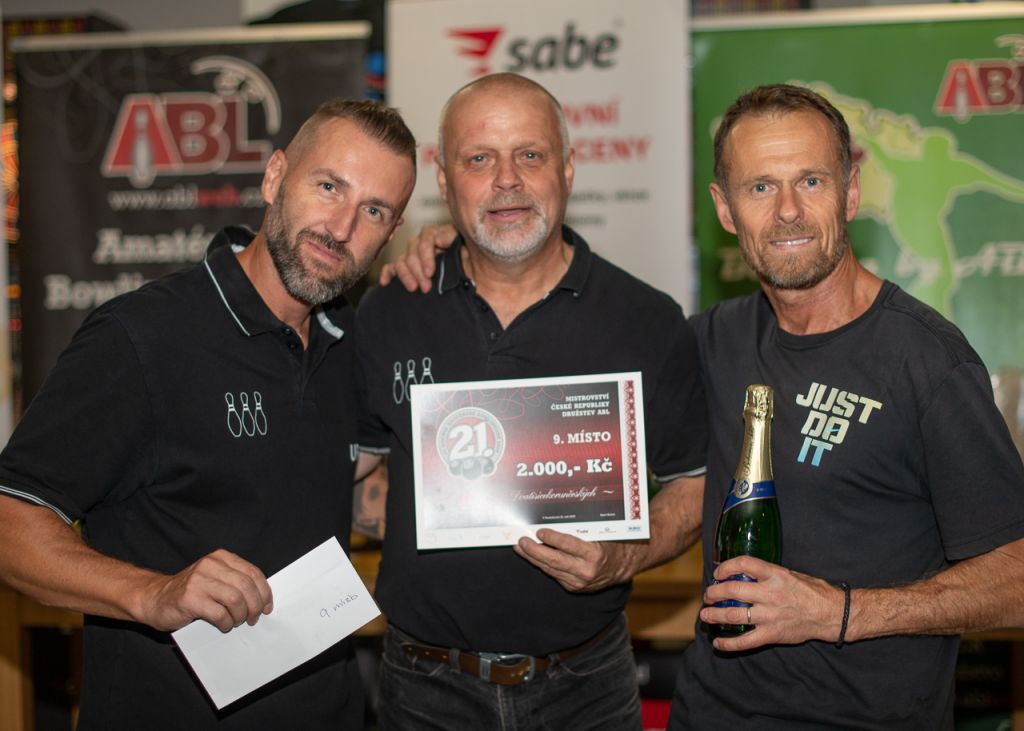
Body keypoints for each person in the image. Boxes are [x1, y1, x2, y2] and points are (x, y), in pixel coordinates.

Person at [387, 83, 1024, 729]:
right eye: (760, 187)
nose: (788, 211)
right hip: (709, 713)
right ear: (725, 208)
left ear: (851, 192)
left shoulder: (927, 360)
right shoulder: (709, 340)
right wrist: (458, 243)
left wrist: (839, 612)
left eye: (810, 181)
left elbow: (1016, 578)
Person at [0, 99, 416, 729]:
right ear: (275, 177)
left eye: (375, 210)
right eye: (329, 187)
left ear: (392, 232)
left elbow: (345, 484)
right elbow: (11, 521)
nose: (341, 227)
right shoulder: (141, 337)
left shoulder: (348, 341)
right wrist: (153, 593)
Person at [355, 72, 708, 730]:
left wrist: (625, 556)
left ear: (567, 170)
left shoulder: (647, 320)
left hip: (588, 685)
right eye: (479, 158)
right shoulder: (389, 310)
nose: (507, 180)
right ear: (444, 180)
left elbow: (695, 482)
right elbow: (356, 471)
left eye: (530, 154)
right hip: (425, 688)